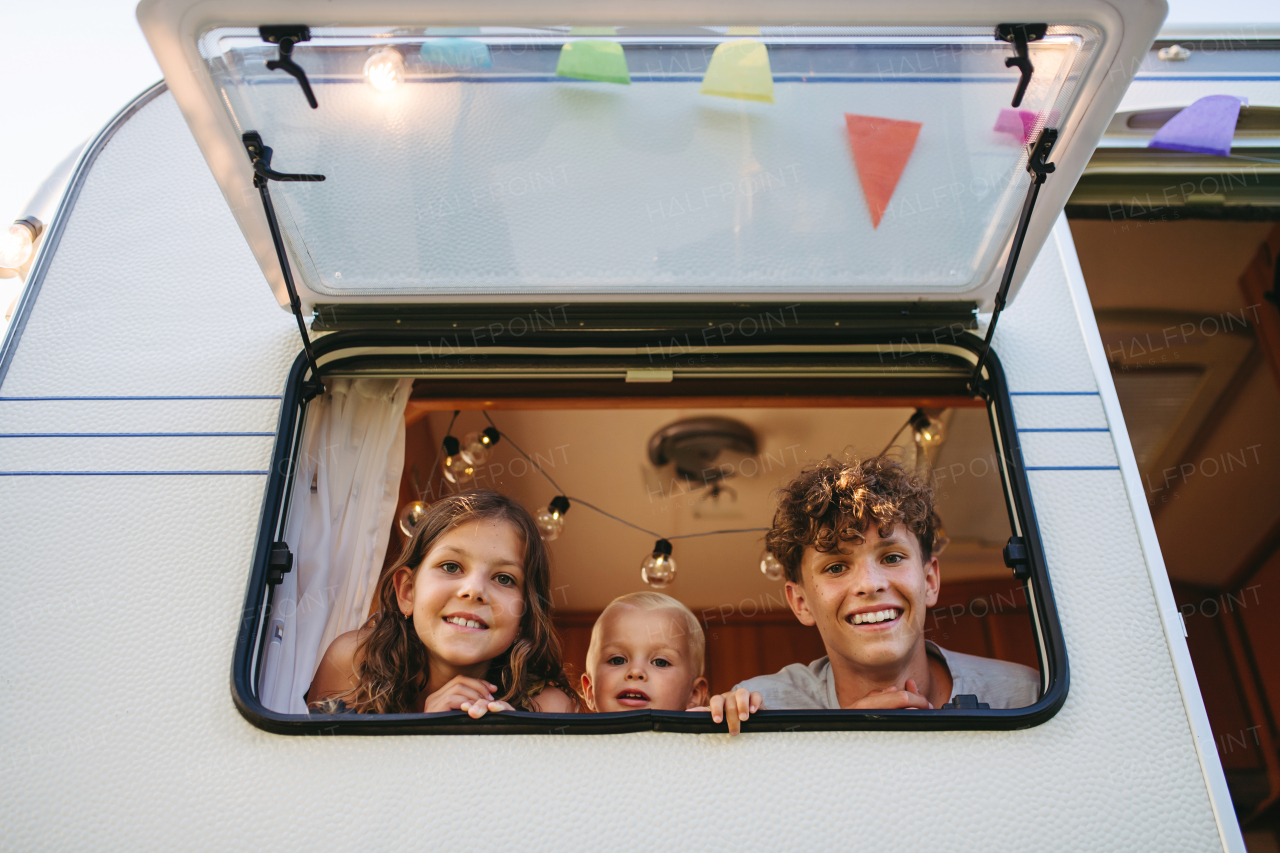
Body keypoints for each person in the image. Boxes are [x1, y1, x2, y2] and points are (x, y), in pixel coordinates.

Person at [709, 455, 1038, 733]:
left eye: (892, 557)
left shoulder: (1026, 695)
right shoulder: (758, 709)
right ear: (801, 603)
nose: (870, 584)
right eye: (836, 567)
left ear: (930, 580)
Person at [308, 490, 577, 715]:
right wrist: (427, 734)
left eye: (504, 579)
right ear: (408, 592)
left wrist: (509, 743)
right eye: (451, 566)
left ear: (525, 616)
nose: (473, 590)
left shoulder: (547, 707)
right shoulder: (354, 664)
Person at [581, 592, 708, 713]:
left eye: (660, 662)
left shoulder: (709, 735)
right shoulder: (568, 735)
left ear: (694, 694)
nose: (635, 672)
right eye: (617, 660)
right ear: (590, 690)